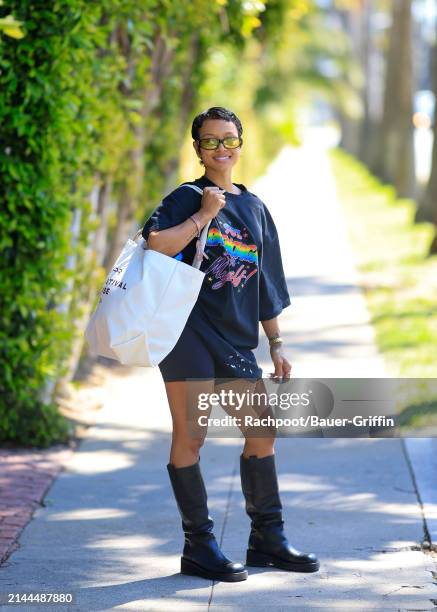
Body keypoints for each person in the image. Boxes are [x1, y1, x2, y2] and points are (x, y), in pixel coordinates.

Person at [141, 106, 319, 582]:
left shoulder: (256, 208)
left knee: (261, 433)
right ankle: (198, 546)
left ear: (241, 144)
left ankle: (267, 539)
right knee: (192, 437)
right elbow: (155, 244)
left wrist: (276, 343)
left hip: (236, 339)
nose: (221, 148)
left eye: (229, 139)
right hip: (188, 334)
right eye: (210, 141)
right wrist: (204, 214)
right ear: (198, 149)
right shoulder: (186, 197)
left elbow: (266, 283)